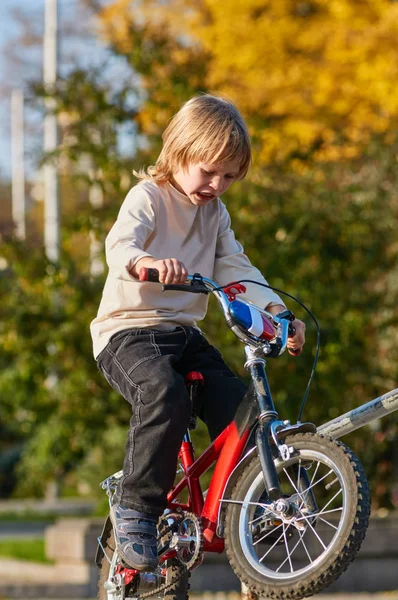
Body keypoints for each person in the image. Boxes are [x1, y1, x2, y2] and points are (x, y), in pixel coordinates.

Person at [91, 94, 306, 572]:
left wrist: (276, 310)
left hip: (183, 333)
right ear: (180, 151)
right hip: (128, 333)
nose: (217, 185)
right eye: (209, 171)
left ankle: (249, 505)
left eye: (229, 177)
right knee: (162, 394)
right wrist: (145, 263)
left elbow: (234, 266)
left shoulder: (215, 214)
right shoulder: (148, 196)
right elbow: (120, 243)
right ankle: (136, 509)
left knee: (242, 407)